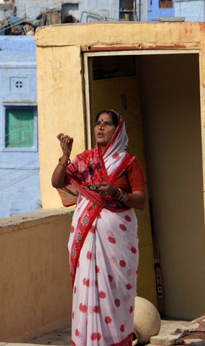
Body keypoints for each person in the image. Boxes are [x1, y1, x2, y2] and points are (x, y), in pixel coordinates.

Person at [51, 110, 147, 346]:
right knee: (87, 291)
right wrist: (66, 155)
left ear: (118, 130)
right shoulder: (85, 160)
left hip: (117, 241)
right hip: (86, 240)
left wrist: (116, 192)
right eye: (98, 124)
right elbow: (57, 182)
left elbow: (141, 200)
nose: (100, 128)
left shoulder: (128, 163)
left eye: (107, 124)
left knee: (114, 293)